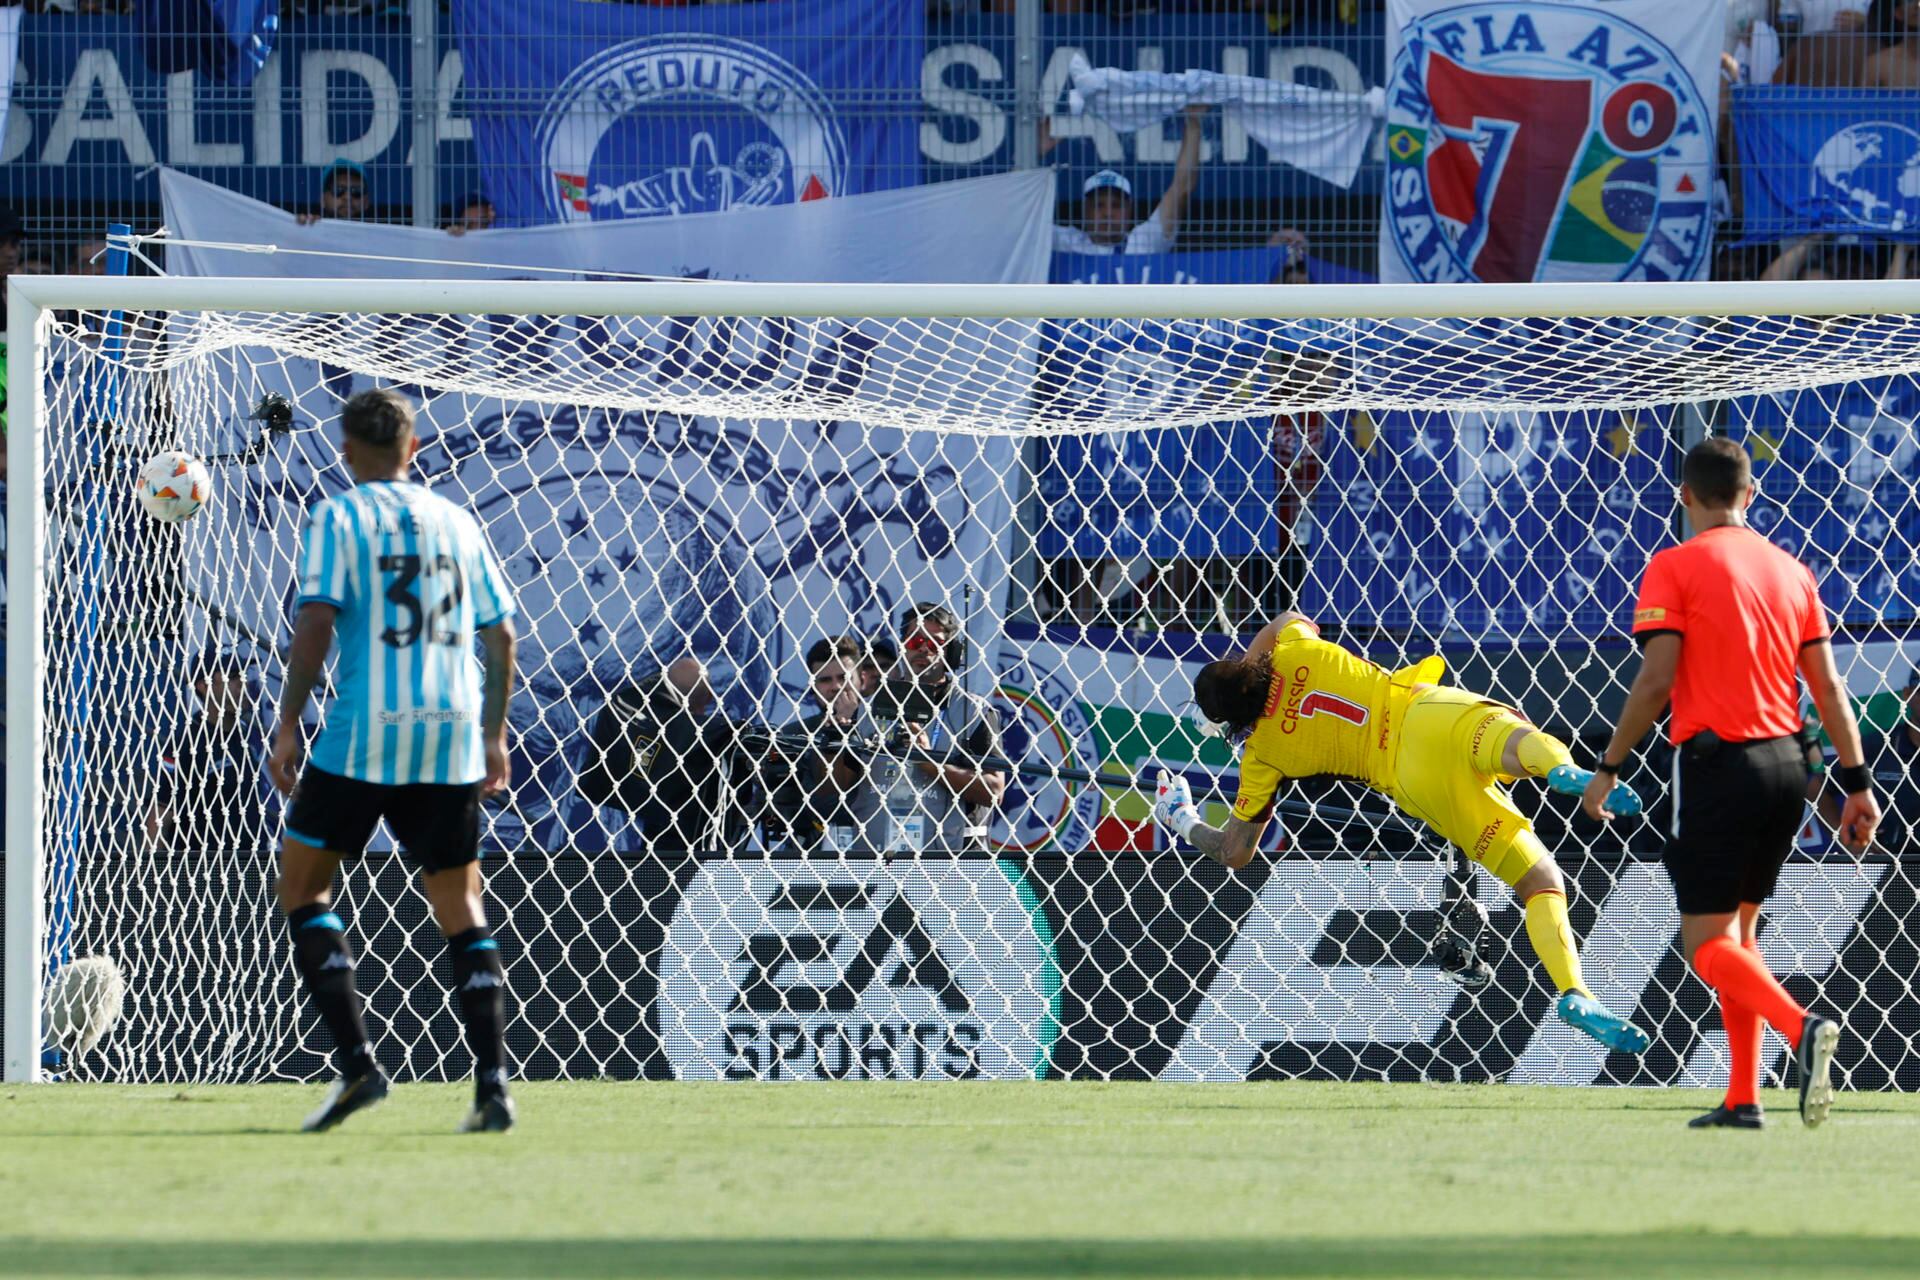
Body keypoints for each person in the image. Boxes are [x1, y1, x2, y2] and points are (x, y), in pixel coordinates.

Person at [1153, 613, 1653, 1054]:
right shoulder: (1293, 650)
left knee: (1540, 880)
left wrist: (1184, 819)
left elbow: (1236, 851)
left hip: (1412, 780)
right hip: (1423, 713)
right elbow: (1286, 617)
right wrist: (1252, 664)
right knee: (1511, 738)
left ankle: (1575, 991)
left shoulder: (1262, 757)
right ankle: (1562, 770)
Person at [1585, 438, 1879, 1130]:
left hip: (1719, 767)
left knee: (1705, 944)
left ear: (1685, 497)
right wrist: (1857, 782)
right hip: (1788, 769)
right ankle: (1744, 1097)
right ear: (1750, 495)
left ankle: (1800, 1027)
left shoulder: (1674, 566)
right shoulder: (1791, 571)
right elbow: (1828, 688)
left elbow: (1657, 679)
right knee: (1740, 935)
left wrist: (1609, 766)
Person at [268, 387, 520, 1134]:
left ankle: (359, 1068)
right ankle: (492, 1086)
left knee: (305, 891)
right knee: (461, 907)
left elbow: (316, 620)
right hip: (449, 734)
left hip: (361, 734)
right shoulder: (455, 519)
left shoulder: (337, 516)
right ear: (414, 451)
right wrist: (494, 734)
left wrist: (288, 722)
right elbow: (502, 638)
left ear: (346, 452)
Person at [576, 656, 743, 852]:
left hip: (658, 852)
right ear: (708, 698)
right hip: (704, 853)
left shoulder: (628, 716)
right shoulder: (717, 738)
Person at [877, 602, 1006, 852]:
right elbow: (839, 786)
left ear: (951, 653)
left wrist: (930, 765)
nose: (923, 649)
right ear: (902, 646)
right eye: (915, 641)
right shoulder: (872, 707)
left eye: (934, 643)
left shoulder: (974, 711)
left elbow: (994, 790)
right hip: (884, 855)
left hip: (956, 860)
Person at [147, 648, 272, 855]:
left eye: (243, 675)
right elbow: (161, 812)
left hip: (251, 864)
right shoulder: (186, 743)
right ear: (204, 687)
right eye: (232, 677)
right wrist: (149, 875)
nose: (242, 684)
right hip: (207, 871)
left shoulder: (246, 735)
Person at [1048, 105, 1206, 255]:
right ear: (1085, 210)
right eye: (1099, 205)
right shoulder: (1064, 242)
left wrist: (1194, 123)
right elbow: (1024, 219)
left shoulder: (1144, 242)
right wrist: (1035, 150)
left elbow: (1181, 189)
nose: (1108, 214)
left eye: (1116, 206)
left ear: (1129, 210)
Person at [778, 636, 887, 854]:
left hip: (883, 852)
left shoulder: (886, 729)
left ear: (862, 679)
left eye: (842, 677)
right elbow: (825, 803)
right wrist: (838, 730)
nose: (835, 687)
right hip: (813, 856)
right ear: (813, 686)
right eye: (825, 680)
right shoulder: (794, 736)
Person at [297, 159, 372, 226]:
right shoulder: (311, 226)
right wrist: (303, 229)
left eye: (356, 191)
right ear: (322, 200)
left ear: (366, 202)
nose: (347, 197)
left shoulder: (380, 234)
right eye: (338, 190)